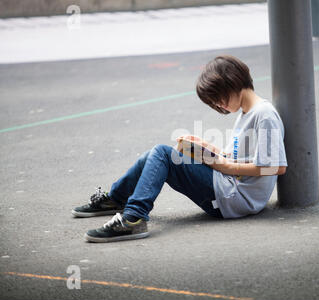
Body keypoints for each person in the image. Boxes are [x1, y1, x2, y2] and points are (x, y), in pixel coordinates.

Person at [73, 55, 288, 243]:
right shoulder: (246, 113)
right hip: (228, 188)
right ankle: (115, 199)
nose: (219, 106)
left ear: (231, 82)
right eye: (214, 103)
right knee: (155, 155)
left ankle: (134, 218)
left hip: (235, 198)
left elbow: (275, 167)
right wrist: (205, 148)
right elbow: (238, 158)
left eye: (218, 98)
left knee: (162, 154)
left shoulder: (264, 114)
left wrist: (223, 165)